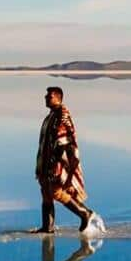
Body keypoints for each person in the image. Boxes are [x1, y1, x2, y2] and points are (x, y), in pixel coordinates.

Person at [32, 85, 102, 234]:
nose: (45, 98)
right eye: (46, 96)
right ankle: (47, 227)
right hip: (46, 162)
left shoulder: (62, 116)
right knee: (45, 192)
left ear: (58, 98)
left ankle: (85, 213)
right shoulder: (52, 115)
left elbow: (64, 144)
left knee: (57, 191)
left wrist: (56, 164)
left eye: (49, 96)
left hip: (58, 163)